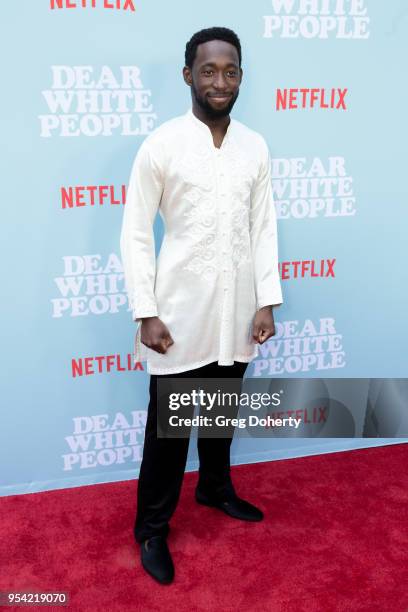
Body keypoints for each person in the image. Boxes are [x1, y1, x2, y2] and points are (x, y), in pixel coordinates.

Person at [120, 26, 283, 585]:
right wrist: (146, 310)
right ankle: (152, 529)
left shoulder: (255, 146)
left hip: (238, 312)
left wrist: (267, 302)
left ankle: (215, 488)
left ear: (242, 77)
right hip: (178, 315)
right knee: (169, 432)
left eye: (230, 70)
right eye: (208, 70)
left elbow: (264, 230)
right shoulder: (161, 145)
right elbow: (136, 233)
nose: (220, 80)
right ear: (188, 75)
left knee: (219, 419)